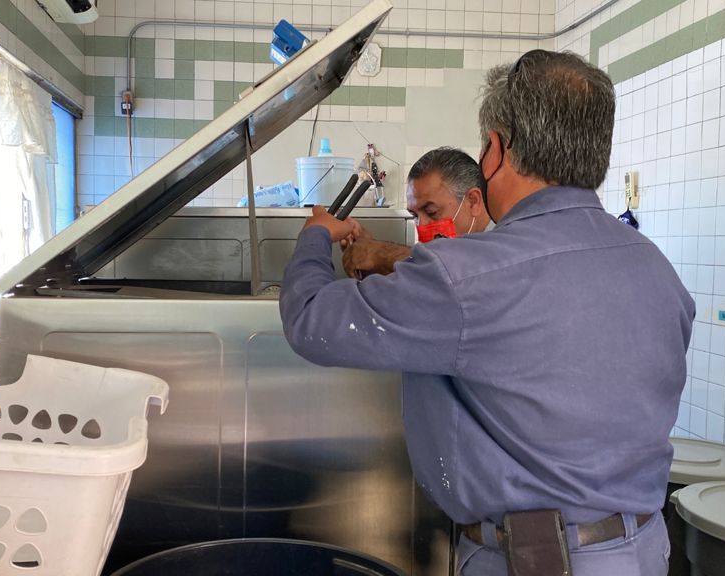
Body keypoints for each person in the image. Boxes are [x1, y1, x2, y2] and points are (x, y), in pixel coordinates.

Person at [279, 49, 695, 576]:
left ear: (496, 150)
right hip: (643, 551)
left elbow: (310, 320)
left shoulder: (466, 275)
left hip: (537, 562)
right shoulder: (657, 268)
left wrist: (315, 236)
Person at [342, 147, 491, 278]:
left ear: (473, 201)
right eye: (415, 216)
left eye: (431, 212)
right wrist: (368, 254)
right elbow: (432, 278)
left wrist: (380, 254)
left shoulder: (499, 247)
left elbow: (455, 270)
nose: (422, 225)